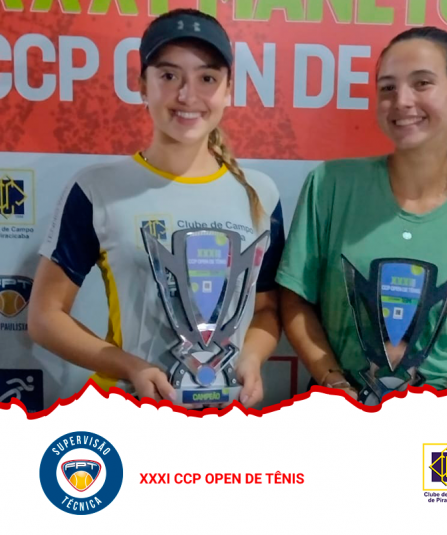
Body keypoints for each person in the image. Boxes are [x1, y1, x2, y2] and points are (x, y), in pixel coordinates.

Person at [28, 8, 284, 408]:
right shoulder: (97, 189)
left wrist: (250, 359)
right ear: (142, 86)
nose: (187, 96)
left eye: (207, 78)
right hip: (130, 412)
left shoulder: (260, 192)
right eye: (169, 76)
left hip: (226, 414)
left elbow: (266, 309)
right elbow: (45, 317)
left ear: (228, 90)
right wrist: (131, 366)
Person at [276, 26, 447, 401]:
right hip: (336, 415)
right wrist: (336, 385)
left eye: (422, 83)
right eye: (388, 87)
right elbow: (295, 301)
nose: (402, 100)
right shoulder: (331, 184)